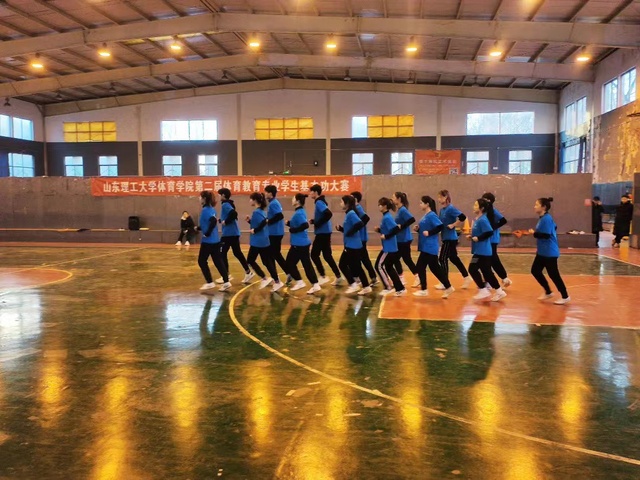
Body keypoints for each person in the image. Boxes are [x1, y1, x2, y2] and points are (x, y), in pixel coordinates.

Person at [529, 197, 570, 305]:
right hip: (542, 251)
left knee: (554, 274)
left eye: (537, 205)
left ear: (543, 207)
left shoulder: (546, 219)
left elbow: (546, 235)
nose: (534, 206)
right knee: (535, 271)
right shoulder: (543, 218)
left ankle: (565, 296)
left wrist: (534, 233)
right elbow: (554, 227)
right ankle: (548, 291)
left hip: (549, 252)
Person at [413, 196, 455, 298]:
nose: (420, 205)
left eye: (421, 203)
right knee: (435, 268)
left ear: (427, 204)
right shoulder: (426, 215)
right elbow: (426, 228)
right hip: (425, 245)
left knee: (420, 266)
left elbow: (440, 226)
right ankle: (448, 287)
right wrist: (418, 229)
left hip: (430, 246)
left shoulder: (431, 215)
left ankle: (424, 289)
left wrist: (430, 232)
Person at [467, 198, 507, 302]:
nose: (473, 207)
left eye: (476, 205)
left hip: (483, 251)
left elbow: (489, 232)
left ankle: (483, 290)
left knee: (473, 269)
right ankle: (499, 291)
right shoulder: (478, 219)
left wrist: (478, 238)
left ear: (482, 208)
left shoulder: (483, 220)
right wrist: (472, 237)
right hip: (479, 251)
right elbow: (481, 232)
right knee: (486, 272)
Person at [245, 192, 283, 292]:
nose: (249, 201)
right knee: (267, 261)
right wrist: (250, 221)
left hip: (258, 241)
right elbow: (261, 223)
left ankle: (264, 278)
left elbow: (262, 224)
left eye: (251, 199)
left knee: (250, 260)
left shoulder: (256, 212)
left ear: (255, 200)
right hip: (264, 240)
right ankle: (277, 281)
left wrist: (255, 230)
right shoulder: (262, 212)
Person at [285, 193, 321, 294]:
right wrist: (289, 223)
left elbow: (305, 225)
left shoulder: (299, 213)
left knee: (291, 264)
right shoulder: (300, 211)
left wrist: (293, 230)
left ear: (297, 201)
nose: (292, 200)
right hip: (301, 243)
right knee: (304, 264)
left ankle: (301, 282)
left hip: (299, 244)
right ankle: (313, 284)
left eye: (293, 198)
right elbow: (299, 224)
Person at [437, 190, 472, 289]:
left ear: (445, 197)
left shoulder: (451, 208)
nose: (439, 199)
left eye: (440, 197)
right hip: (445, 237)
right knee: (454, 258)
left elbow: (462, 217)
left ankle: (445, 282)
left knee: (442, 258)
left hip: (450, 238)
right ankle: (466, 277)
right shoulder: (442, 210)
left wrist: (453, 225)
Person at [336, 195, 371, 295]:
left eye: (341, 202)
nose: (340, 204)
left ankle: (354, 285)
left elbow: (359, 224)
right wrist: (342, 229)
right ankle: (365, 286)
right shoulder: (349, 214)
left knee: (343, 265)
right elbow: (350, 228)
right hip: (351, 244)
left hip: (353, 245)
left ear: (347, 204)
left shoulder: (351, 213)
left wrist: (350, 232)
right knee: (356, 266)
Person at [217, 188, 253, 284]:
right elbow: (231, 215)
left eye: (219, 194)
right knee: (237, 253)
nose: (218, 196)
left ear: (223, 195)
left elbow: (233, 214)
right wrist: (220, 220)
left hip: (229, 234)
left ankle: (226, 275)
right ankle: (248, 272)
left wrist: (225, 221)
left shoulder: (225, 204)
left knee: (221, 253)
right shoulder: (228, 204)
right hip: (234, 233)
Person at [197, 191, 230, 292]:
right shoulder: (212, 209)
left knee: (202, 261)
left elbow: (213, 221)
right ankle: (226, 282)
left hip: (208, 241)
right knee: (218, 261)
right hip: (215, 240)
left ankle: (210, 282)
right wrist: (198, 228)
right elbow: (208, 223)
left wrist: (207, 233)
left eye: (200, 197)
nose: (199, 198)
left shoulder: (206, 210)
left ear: (204, 199)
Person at [309, 184, 342, 285]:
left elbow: (328, 214)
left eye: (311, 191)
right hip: (325, 232)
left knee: (314, 254)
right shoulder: (321, 202)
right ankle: (338, 276)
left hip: (322, 233)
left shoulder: (319, 202)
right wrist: (314, 221)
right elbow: (324, 215)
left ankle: (323, 276)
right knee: (327, 255)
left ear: (315, 192)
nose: (310, 194)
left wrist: (317, 223)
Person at [374, 197, 405, 296]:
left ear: (385, 206)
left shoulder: (387, 217)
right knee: (388, 267)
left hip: (389, 248)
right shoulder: (386, 217)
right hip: (388, 247)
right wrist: (379, 230)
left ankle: (388, 287)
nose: (379, 206)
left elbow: (396, 229)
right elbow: (389, 230)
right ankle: (400, 288)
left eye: (380, 205)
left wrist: (386, 236)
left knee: (379, 266)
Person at [482, 192, 512, 288]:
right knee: (487, 260)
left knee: (493, 259)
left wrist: (493, 227)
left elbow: (503, 220)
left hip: (492, 239)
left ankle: (503, 278)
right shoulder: (483, 212)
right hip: (486, 239)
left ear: (489, 201)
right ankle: (490, 280)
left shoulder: (493, 211)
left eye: (485, 199)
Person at [392, 192, 419, 287]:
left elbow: (412, 219)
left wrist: (402, 226)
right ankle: (408, 277)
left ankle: (410, 277)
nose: (392, 199)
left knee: (399, 259)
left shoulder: (403, 210)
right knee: (403, 259)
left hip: (404, 239)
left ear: (399, 199)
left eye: (393, 197)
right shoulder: (399, 210)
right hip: (400, 239)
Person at [351, 191, 378, 286]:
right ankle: (371, 277)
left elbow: (366, 218)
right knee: (363, 258)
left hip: (361, 238)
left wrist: (358, 227)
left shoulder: (358, 208)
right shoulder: (355, 209)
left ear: (355, 199)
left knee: (361, 259)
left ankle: (360, 277)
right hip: (359, 238)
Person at [264, 185, 290, 279]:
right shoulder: (273, 203)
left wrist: (269, 221)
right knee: (273, 254)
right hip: (275, 232)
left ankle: (287, 272)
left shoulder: (274, 203)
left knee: (274, 254)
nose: (265, 194)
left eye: (266, 192)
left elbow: (279, 216)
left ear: (270, 193)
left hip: (275, 233)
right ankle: (276, 275)